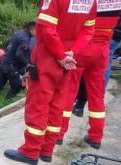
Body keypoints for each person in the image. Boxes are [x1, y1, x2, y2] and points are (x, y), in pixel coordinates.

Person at [3, 0, 97, 164]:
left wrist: (60, 56)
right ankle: (47, 150)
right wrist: (72, 52)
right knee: (56, 105)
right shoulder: (91, 1)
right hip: (68, 59)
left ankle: (30, 152)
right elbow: (88, 30)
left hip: (48, 58)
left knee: (38, 105)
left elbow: (47, 29)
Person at [57, 5, 121, 149]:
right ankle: (95, 137)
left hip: (81, 47)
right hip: (102, 50)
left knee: (69, 92)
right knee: (97, 96)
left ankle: (59, 134)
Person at [72, 17, 121, 117]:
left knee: (82, 65)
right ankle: (97, 96)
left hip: (96, 31)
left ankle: (77, 103)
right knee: (102, 64)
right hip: (113, 34)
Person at [0, 21, 36, 103]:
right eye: (37, 30)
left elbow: (8, 44)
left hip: (4, 62)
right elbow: (19, 54)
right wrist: (27, 64)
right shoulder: (25, 39)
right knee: (17, 87)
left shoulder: (19, 33)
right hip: (11, 66)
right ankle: (7, 101)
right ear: (32, 29)